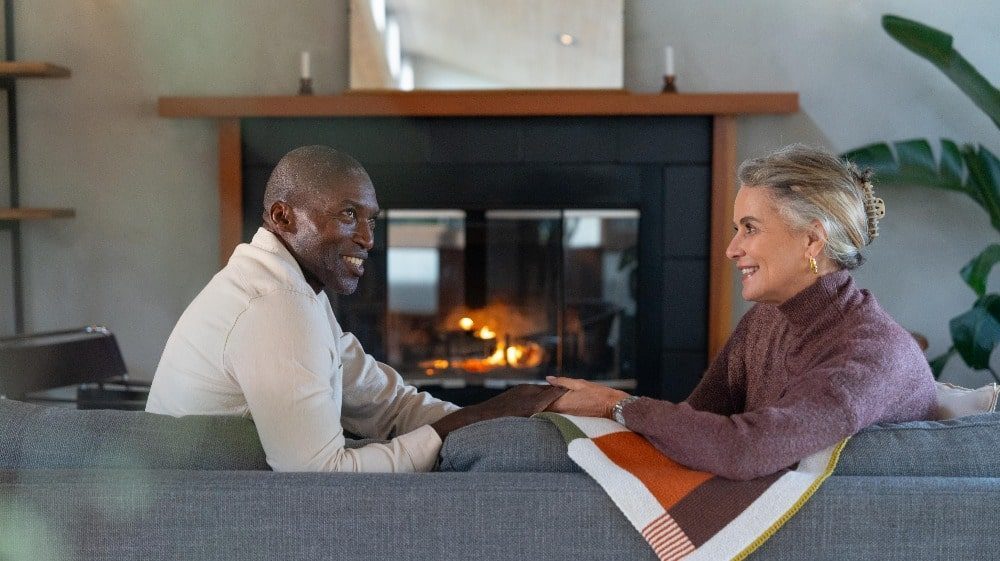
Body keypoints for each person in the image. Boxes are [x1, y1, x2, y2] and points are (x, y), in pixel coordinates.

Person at [146, 145, 563, 472]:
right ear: (283, 217)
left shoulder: (295, 290)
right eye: (348, 214)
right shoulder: (276, 305)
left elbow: (384, 403)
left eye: (372, 220)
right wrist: (453, 429)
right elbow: (320, 478)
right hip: (210, 519)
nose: (368, 238)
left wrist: (487, 420)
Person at [544, 144, 937, 480]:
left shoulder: (871, 354)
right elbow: (695, 421)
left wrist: (615, 404)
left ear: (813, 240)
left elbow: (746, 450)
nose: (732, 249)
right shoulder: (767, 319)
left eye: (750, 228)